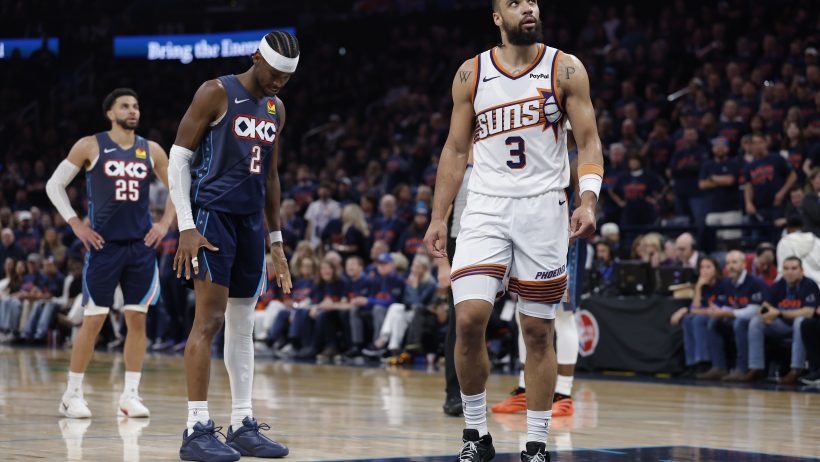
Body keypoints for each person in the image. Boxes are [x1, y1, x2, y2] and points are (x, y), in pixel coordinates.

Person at [423, 1, 603, 460]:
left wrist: (588, 198)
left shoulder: (566, 69)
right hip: (484, 207)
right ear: (497, 18)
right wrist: (439, 215)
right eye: (514, 2)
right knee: (467, 321)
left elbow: (588, 140)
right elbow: (455, 148)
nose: (527, 7)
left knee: (538, 331)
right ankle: (476, 434)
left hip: (544, 208)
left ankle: (537, 443)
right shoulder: (472, 73)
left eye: (532, 0)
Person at [168, 31, 298, 461]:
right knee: (208, 320)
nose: (279, 82)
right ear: (257, 57)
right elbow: (178, 159)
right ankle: (196, 428)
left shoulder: (277, 108)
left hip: (249, 225)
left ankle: (242, 422)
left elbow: (272, 177)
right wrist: (186, 225)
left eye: (287, 76)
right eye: (275, 72)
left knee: (244, 324)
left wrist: (276, 241)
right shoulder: (215, 91)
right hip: (211, 217)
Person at [45, 88, 175, 419]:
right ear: (110, 113)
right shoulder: (91, 144)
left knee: (137, 319)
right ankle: (71, 395)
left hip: (140, 248)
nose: (133, 111)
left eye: (136, 105)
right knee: (94, 319)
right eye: (125, 106)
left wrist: (164, 225)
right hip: (103, 247)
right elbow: (54, 185)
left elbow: (180, 186)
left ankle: (130, 395)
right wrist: (75, 223)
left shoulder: (152, 150)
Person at [746, 256, 819, 384]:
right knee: (756, 322)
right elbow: (764, 307)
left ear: (802, 271)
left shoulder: (809, 285)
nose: (789, 272)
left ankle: (796, 369)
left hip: (802, 329)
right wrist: (765, 316)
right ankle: (756, 367)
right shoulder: (778, 285)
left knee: (800, 321)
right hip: (781, 326)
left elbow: (809, 312)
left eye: (794, 268)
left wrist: (779, 312)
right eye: (786, 268)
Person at [699, 250, 768, 381]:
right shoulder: (728, 283)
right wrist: (717, 310)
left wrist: (727, 313)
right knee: (713, 322)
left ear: (744, 265)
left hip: (757, 320)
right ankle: (718, 367)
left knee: (739, 323)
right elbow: (729, 305)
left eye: (734, 262)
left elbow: (756, 310)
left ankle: (742, 369)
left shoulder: (755, 282)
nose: (730, 266)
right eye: (728, 263)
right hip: (736, 316)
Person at [670, 256, 728, 375]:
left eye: (708, 267)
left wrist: (687, 310)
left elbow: (709, 310)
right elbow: (695, 307)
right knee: (687, 320)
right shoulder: (703, 286)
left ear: (716, 270)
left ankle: (704, 362)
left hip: (723, 316)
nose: (704, 270)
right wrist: (698, 287)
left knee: (698, 319)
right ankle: (692, 363)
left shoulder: (723, 284)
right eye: (702, 267)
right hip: (707, 314)